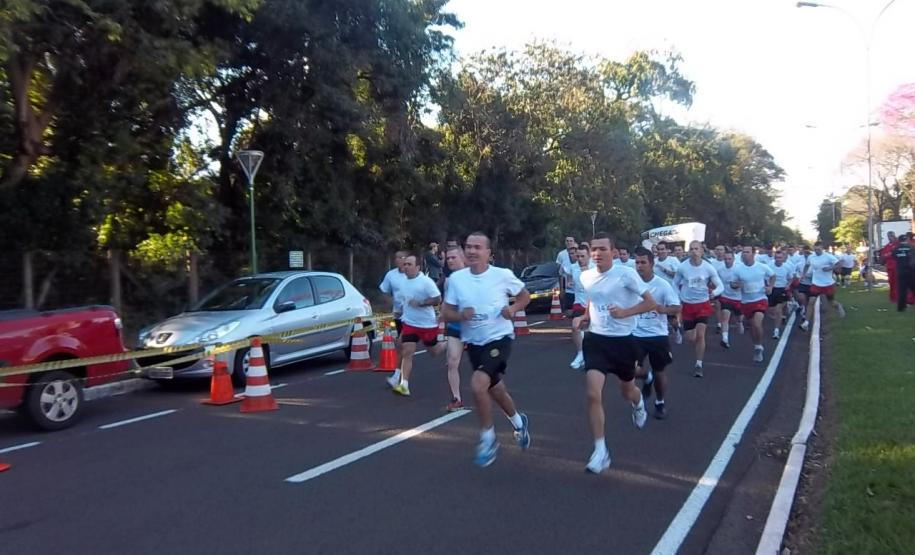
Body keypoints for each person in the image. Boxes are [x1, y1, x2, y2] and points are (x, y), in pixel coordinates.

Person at [442, 232, 532, 467]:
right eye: (468, 247)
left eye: (477, 247)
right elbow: (445, 312)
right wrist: (461, 315)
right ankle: (519, 424)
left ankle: (488, 438)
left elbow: (524, 296)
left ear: (489, 254)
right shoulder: (457, 280)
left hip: (499, 339)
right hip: (474, 343)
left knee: (478, 384)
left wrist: (512, 310)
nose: (472, 251)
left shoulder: (502, 275)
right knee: (496, 389)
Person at [578, 233, 657, 474]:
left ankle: (638, 402)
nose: (597, 253)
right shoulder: (586, 276)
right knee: (593, 394)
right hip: (595, 340)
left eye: (603, 249)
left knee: (627, 390)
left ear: (613, 251)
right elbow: (593, 299)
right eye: (594, 249)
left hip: (623, 342)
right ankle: (600, 450)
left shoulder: (626, 274)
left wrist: (625, 313)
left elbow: (650, 303)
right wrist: (585, 316)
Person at [387, 254, 447, 396]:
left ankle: (447, 343)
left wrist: (421, 303)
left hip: (427, 324)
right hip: (409, 323)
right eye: (405, 264)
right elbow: (405, 300)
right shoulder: (402, 282)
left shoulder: (426, 282)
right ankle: (404, 385)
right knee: (407, 351)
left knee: (434, 352)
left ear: (418, 267)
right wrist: (399, 312)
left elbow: (438, 299)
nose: (405, 267)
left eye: (409, 264)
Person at [632, 247, 680, 419]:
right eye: (636, 262)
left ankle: (660, 402)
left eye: (643, 262)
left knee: (661, 371)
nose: (639, 266)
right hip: (636, 334)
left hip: (657, 335)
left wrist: (663, 309)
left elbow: (677, 307)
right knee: (631, 370)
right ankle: (647, 377)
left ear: (651, 264)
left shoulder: (662, 285)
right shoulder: (631, 283)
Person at [673, 241, 724, 377]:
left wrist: (714, 293)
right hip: (687, 304)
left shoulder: (708, 268)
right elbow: (675, 283)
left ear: (702, 251)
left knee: (701, 334)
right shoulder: (683, 267)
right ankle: (686, 332)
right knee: (691, 338)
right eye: (691, 249)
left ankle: (698, 364)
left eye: (696, 249)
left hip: (702, 304)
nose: (694, 251)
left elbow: (720, 285)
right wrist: (678, 297)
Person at [730, 246, 775, 363]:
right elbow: (733, 284)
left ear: (753, 254)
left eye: (747, 252)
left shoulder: (762, 267)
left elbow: (773, 275)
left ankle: (759, 346)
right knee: (751, 326)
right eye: (743, 252)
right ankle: (756, 345)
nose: (745, 254)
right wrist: (736, 285)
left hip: (760, 299)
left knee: (757, 323)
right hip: (746, 301)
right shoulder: (738, 269)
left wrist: (770, 286)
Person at [442, 246, 467, 410]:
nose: (450, 261)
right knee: (452, 362)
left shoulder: (472, 276)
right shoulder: (448, 281)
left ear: (462, 257)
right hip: (455, 327)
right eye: (448, 258)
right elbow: (447, 305)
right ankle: (456, 398)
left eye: (453, 257)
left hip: (476, 327)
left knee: (484, 366)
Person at [379, 250, 409, 385]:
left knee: (402, 343)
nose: (399, 260)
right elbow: (384, 292)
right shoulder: (391, 275)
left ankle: (397, 376)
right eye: (396, 257)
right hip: (398, 315)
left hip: (413, 316)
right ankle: (401, 375)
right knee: (403, 346)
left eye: (402, 257)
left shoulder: (414, 275)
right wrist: (392, 302)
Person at [806, 241, 846, 321]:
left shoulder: (828, 256)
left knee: (831, 302)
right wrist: (804, 274)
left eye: (818, 250)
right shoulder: (811, 257)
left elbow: (840, 264)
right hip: (816, 283)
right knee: (811, 302)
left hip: (827, 283)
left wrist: (830, 268)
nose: (817, 251)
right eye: (815, 250)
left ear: (822, 249)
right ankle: (806, 323)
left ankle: (838, 305)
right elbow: (807, 265)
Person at [654, 241, 682, 344]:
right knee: (657, 315)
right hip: (657, 294)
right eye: (659, 249)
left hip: (671, 293)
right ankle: (660, 336)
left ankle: (677, 330)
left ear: (667, 250)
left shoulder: (673, 260)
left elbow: (677, 275)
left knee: (671, 318)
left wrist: (664, 269)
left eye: (663, 249)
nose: (661, 251)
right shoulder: (654, 261)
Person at [569, 246, 591, 370]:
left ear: (589, 256)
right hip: (579, 302)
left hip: (593, 304)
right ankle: (580, 352)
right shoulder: (573, 268)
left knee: (591, 331)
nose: (580, 259)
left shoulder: (595, 268)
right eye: (578, 256)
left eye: (583, 256)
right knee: (575, 325)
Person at [716, 251, 742, 349]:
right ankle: (725, 339)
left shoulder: (739, 269)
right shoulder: (720, 270)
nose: (727, 261)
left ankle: (740, 323)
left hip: (738, 298)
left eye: (729, 259)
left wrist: (737, 285)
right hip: (725, 297)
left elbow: (744, 283)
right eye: (725, 259)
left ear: (733, 259)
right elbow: (716, 281)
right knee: (725, 317)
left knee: (739, 319)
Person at [767, 251, 794, 340]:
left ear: (783, 258)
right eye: (777, 258)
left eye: (780, 258)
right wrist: (767, 286)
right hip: (772, 289)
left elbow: (791, 278)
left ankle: (776, 331)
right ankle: (784, 311)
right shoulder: (769, 266)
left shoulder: (787, 267)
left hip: (782, 289)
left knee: (778, 310)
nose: (778, 260)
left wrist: (788, 285)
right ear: (774, 258)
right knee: (771, 310)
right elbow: (764, 277)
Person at [892, 232, 915, 311]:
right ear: (906, 239)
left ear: (899, 240)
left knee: (902, 290)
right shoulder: (911, 247)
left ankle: (901, 307)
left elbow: (894, 257)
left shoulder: (895, 249)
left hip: (900, 271)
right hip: (911, 271)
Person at [879, 231, 899, 303]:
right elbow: (883, 255)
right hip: (890, 267)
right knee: (891, 282)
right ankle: (893, 298)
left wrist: (889, 254)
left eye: (892, 236)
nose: (890, 237)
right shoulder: (887, 246)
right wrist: (886, 255)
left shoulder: (897, 244)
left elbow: (896, 253)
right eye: (889, 236)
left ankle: (898, 297)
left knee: (897, 282)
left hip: (897, 266)